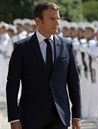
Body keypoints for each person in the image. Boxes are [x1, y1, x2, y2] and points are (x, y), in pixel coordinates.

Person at [6, 1, 82, 129]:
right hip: (31, 116)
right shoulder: (22, 47)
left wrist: (77, 115)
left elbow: (74, 81)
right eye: (52, 19)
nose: (57, 23)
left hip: (60, 116)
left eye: (58, 18)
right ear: (38, 20)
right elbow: (12, 85)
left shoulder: (66, 45)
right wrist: (13, 118)